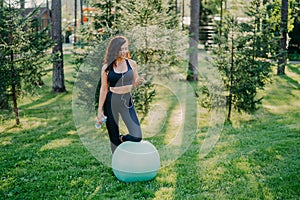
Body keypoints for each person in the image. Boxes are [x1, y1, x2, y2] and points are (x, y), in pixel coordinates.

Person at [97, 36, 144, 153]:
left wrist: (138, 81)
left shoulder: (132, 64)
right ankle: (118, 166)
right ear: (115, 50)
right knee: (113, 140)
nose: (124, 52)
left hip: (126, 101)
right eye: (121, 49)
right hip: (111, 101)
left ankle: (121, 138)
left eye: (126, 48)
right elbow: (104, 89)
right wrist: (99, 111)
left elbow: (134, 82)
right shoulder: (106, 67)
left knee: (136, 136)